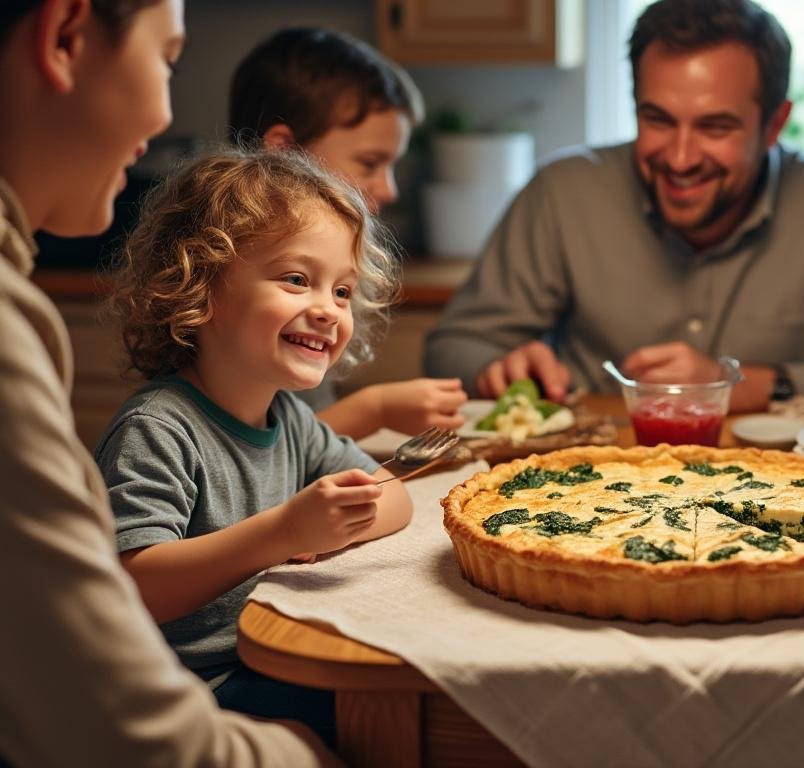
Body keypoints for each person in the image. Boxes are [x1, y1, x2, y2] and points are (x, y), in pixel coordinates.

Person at [0, 0, 333, 764]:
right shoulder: (158, 421)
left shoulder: (291, 418)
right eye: (168, 59)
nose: (164, 113)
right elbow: (115, 728)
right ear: (66, 36)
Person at [422, 0, 804, 412]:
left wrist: (740, 384)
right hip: (584, 483)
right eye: (659, 119)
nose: (681, 157)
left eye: (716, 127)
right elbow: (451, 348)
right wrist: (500, 366)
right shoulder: (563, 192)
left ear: (775, 125)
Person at [95, 148, 414, 741]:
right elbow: (133, 586)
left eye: (342, 291)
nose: (327, 310)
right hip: (189, 693)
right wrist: (285, 533)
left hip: (263, 654)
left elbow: (395, 497)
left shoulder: (287, 417)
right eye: (297, 280)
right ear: (201, 286)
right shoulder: (159, 428)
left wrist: (330, 526)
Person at [230, 26, 466, 439]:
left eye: (340, 292)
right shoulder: (232, 272)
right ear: (285, 151)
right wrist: (374, 409)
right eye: (370, 163)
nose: (389, 188)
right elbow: (256, 453)